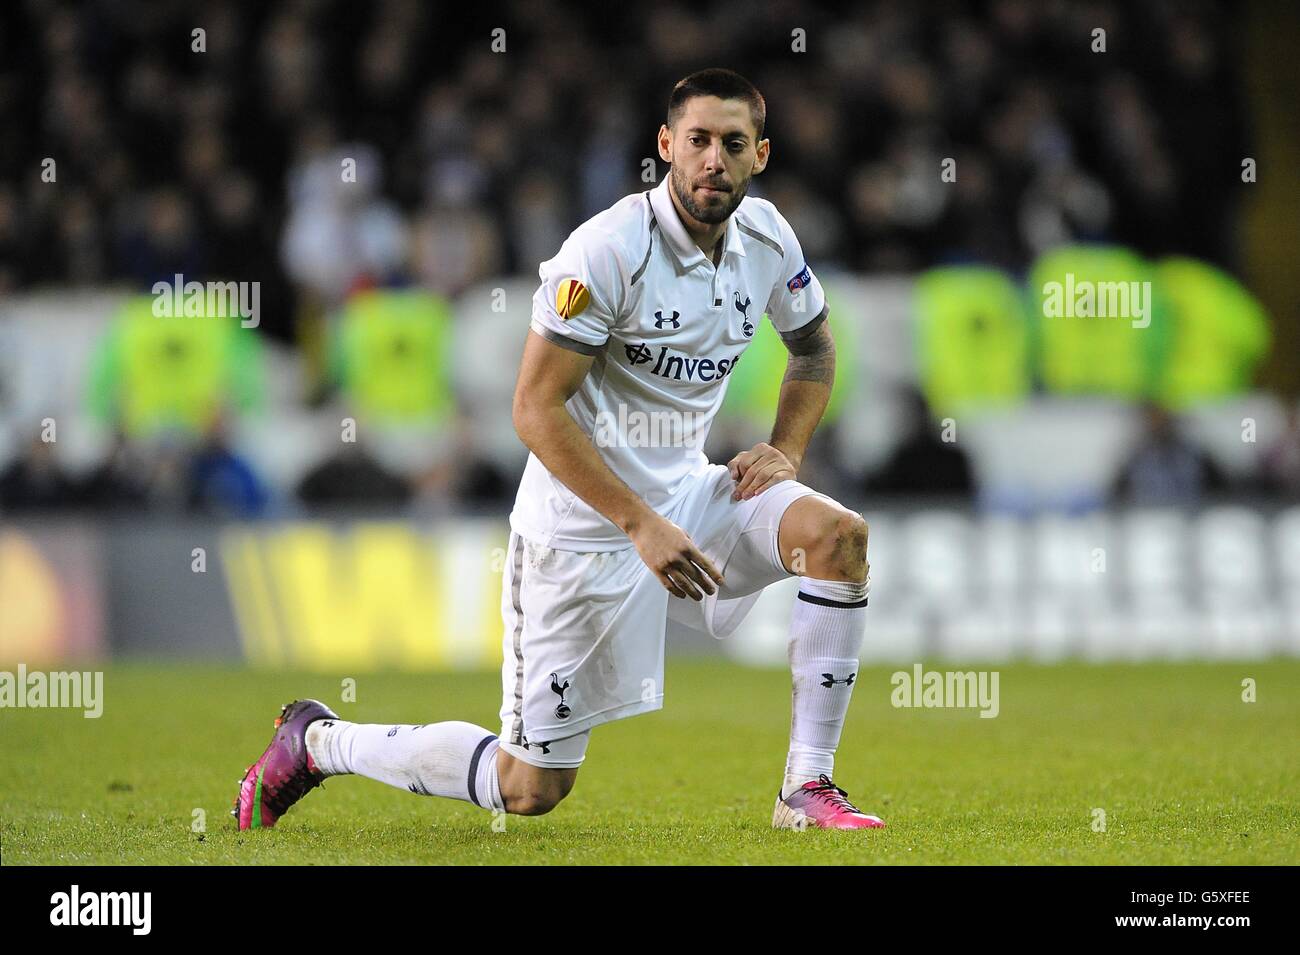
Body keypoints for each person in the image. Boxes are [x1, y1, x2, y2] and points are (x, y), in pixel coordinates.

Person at [234, 69, 883, 832]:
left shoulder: (769, 239)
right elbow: (534, 410)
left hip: (692, 500)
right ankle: (318, 742)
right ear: (667, 145)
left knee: (837, 537)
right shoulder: (607, 251)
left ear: (760, 155)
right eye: (699, 141)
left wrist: (785, 448)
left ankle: (806, 788)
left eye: (733, 144)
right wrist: (638, 523)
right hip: (580, 529)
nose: (714, 159)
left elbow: (812, 349)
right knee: (531, 786)